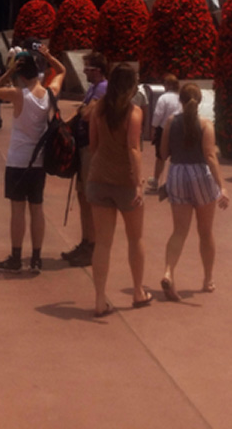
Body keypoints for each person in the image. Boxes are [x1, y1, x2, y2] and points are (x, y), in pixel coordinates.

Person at [0, 44, 65, 273]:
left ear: (21, 73)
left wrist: (8, 72)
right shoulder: (50, 92)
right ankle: (36, 258)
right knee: (37, 209)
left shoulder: (18, 95)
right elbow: (62, 71)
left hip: (17, 160)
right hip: (39, 161)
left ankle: (15, 257)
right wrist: (48, 55)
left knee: (17, 210)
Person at [86, 62, 151, 316]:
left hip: (99, 177)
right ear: (132, 85)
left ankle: (100, 298)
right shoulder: (133, 113)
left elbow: (93, 145)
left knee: (103, 243)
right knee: (135, 238)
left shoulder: (98, 108)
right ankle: (137, 291)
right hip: (125, 181)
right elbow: (134, 148)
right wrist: (138, 182)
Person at [159, 82, 229, 300]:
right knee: (205, 231)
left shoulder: (171, 122)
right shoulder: (206, 124)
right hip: (200, 175)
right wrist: (222, 186)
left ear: (180, 100)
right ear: (200, 101)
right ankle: (208, 279)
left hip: (177, 173)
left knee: (179, 230)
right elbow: (210, 156)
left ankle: (169, 271)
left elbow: (163, 153)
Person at [61, 51, 108, 267]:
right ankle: (85, 240)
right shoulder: (92, 89)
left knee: (89, 196)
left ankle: (93, 244)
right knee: (82, 195)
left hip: (91, 146)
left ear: (97, 70)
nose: (84, 72)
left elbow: (89, 113)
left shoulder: (103, 88)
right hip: (82, 144)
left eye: (88, 69)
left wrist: (81, 109)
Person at [146, 73, 181, 193]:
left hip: (164, 129)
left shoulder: (163, 98)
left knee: (160, 156)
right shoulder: (180, 97)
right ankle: (175, 182)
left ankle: (156, 180)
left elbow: (158, 115)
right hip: (179, 129)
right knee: (176, 156)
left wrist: (153, 129)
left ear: (168, 85)